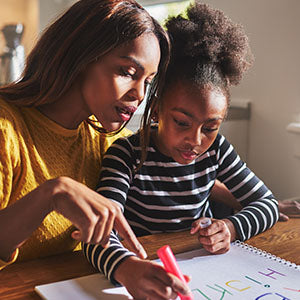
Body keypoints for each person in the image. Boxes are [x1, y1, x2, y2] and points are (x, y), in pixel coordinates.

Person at [83, 2, 279, 299]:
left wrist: (230, 227)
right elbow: (98, 235)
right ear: (158, 108)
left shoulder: (217, 151)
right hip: (143, 271)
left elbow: (267, 204)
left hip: (200, 271)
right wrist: (127, 264)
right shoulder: (126, 155)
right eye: (181, 122)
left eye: (210, 127)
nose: (195, 140)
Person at [0, 0, 171, 270]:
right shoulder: (6, 129)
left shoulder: (107, 142)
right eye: (127, 72)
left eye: (147, 82)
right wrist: (51, 194)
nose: (139, 95)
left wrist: (228, 218)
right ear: (79, 58)